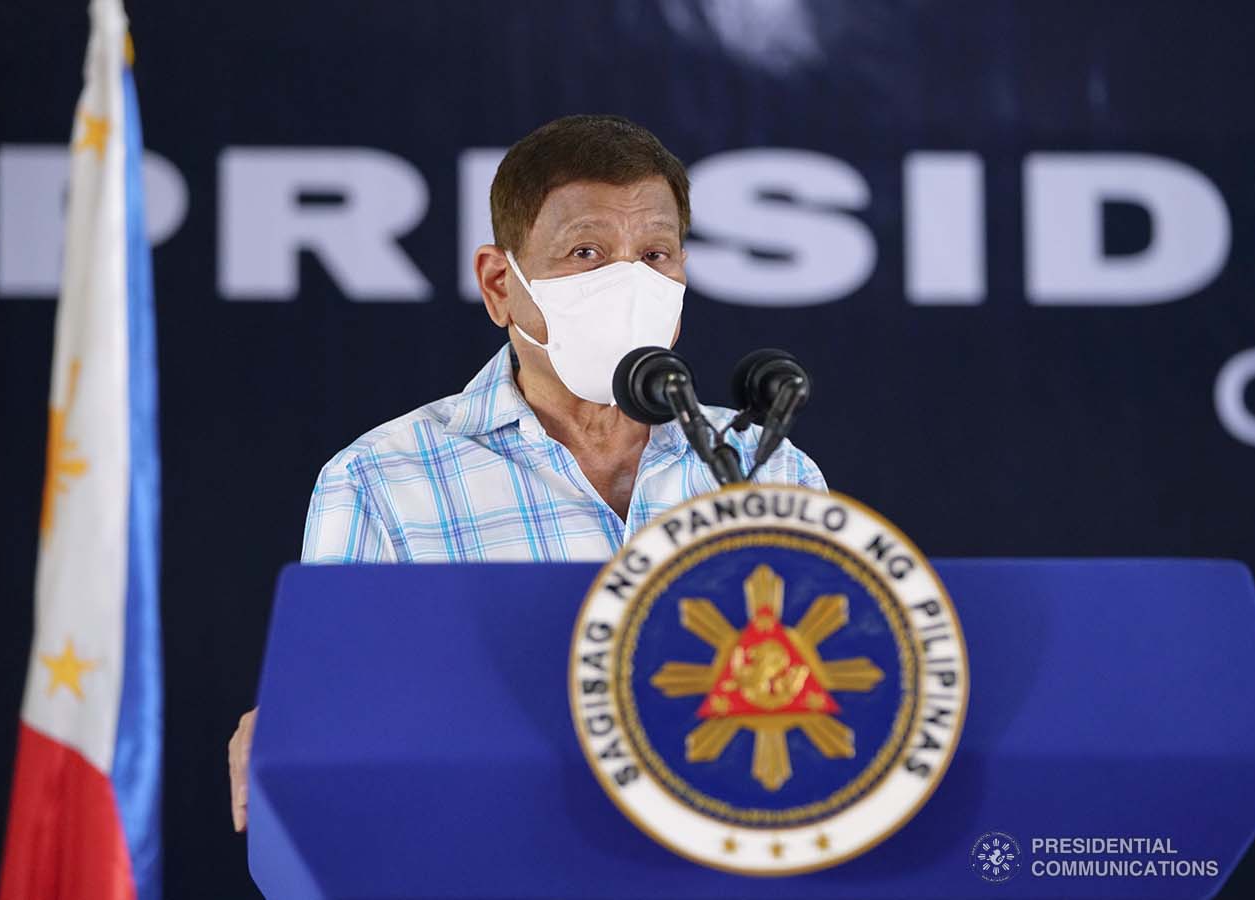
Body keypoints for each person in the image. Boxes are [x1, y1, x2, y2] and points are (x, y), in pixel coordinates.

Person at [228, 114, 827, 831]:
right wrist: (303, 732)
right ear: (499, 284)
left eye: (656, 254)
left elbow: (825, 707)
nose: (629, 283)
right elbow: (339, 748)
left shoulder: (764, 466)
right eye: (586, 252)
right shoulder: (383, 483)